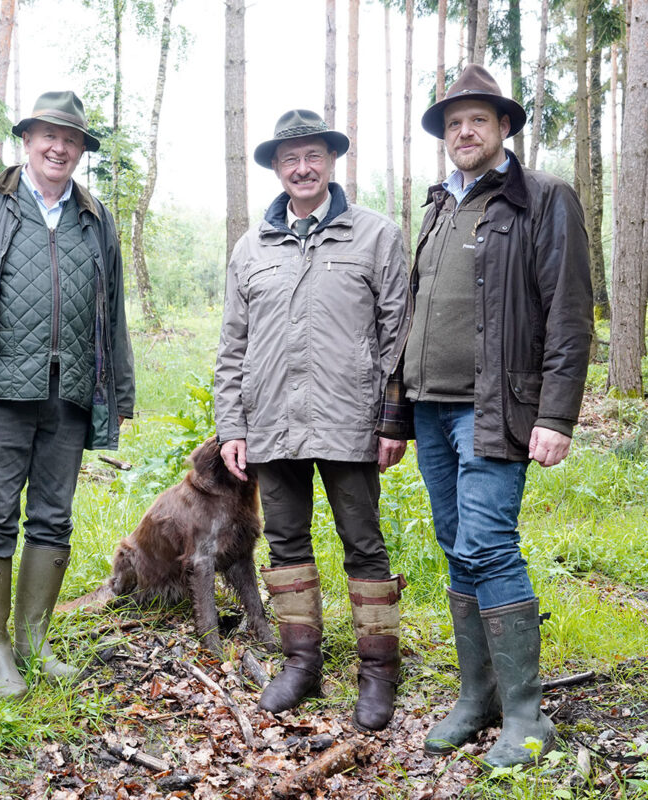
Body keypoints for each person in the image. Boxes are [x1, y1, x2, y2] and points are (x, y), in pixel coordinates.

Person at [407, 65, 593, 768]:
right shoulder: (436, 207)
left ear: (504, 127)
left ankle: (526, 716)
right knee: (456, 545)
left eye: (477, 119)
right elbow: (414, 319)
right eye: (454, 122)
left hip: (497, 408)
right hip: (431, 409)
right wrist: (398, 415)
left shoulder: (543, 198)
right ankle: (476, 697)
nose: (464, 131)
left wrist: (557, 415)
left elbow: (570, 316)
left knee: (488, 545)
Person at [0, 90, 134, 699]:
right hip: (0, 394)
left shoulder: (96, 219)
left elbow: (111, 312)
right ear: (28, 139)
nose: (59, 146)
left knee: (53, 517)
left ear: (81, 149)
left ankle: (34, 643)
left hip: (68, 395)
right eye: (48, 134)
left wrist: (118, 389)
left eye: (71, 139)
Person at [214, 109, 411, 732]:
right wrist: (232, 426)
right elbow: (233, 345)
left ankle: (379, 672)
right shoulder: (251, 248)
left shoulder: (376, 235)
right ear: (277, 167)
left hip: (350, 420)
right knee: (286, 542)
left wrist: (391, 421)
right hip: (271, 421)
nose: (302, 167)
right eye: (289, 158)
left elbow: (397, 337)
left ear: (331, 161)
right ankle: (302, 663)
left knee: (364, 544)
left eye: (313, 156)